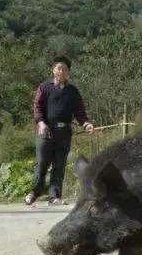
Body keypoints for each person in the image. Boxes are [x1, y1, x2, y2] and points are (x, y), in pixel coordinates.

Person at [25, 56, 94, 205]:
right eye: (59, 68)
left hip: (64, 133)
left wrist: (86, 124)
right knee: (42, 162)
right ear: (53, 70)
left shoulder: (73, 91)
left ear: (68, 72)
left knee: (59, 164)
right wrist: (41, 123)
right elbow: (37, 107)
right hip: (45, 131)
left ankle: (54, 196)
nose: (61, 71)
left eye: (65, 69)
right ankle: (35, 192)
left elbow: (80, 112)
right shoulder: (44, 87)